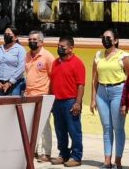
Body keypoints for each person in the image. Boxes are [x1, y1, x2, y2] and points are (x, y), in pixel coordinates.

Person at [90, 29, 129, 169]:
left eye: (108, 37)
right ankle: (107, 160)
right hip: (102, 91)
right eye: (103, 37)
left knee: (118, 127)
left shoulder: (124, 56)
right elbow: (94, 79)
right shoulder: (98, 55)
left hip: (118, 91)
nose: (105, 40)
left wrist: (127, 101)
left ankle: (118, 160)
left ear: (115, 40)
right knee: (106, 127)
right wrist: (93, 98)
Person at [50, 36, 85, 167]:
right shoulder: (55, 62)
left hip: (70, 102)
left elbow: (81, 85)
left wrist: (77, 103)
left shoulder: (78, 63)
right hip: (57, 102)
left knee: (74, 130)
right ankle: (63, 154)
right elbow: (52, 82)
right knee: (60, 130)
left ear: (71, 48)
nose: (60, 48)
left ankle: (76, 156)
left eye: (63, 47)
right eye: (58, 46)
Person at [24, 30, 55, 163]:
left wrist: (51, 96)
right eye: (30, 39)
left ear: (41, 42)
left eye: (34, 40)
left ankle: (46, 153)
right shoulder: (27, 55)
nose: (31, 42)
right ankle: (33, 150)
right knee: (30, 125)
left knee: (43, 125)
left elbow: (53, 76)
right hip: (29, 95)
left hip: (43, 95)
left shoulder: (47, 56)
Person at [0, 27, 26, 96]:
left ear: (15, 37)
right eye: (5, 34)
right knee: (1, 106)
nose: (6, 36)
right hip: (0, 84)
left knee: (12, 106)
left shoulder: (20, 49)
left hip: (15, 84)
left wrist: (10, 82)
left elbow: (21, 67)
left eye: (9, 34)